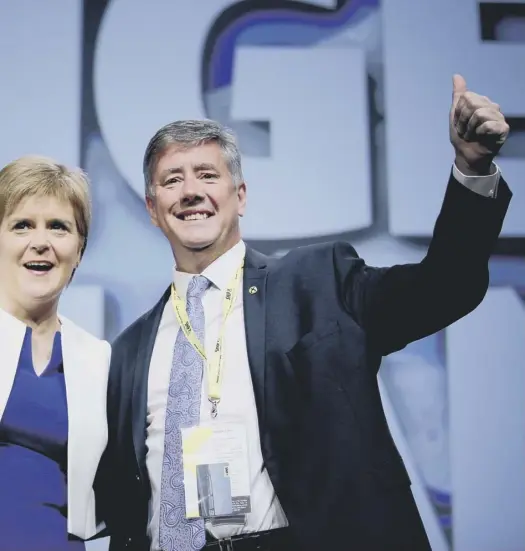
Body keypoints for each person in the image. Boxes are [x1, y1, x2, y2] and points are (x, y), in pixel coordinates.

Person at [98, 75, 511, 551]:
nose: (191, 191)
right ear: (153, 208)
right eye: (173, 180)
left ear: (241, 195)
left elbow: (445, 287)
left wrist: (472, 167)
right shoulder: (129, 351)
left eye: (207, 175)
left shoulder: (319, 283)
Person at [0, 156, 111, 551]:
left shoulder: (98, 360)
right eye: (22, 225)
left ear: (78, 250)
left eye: (59, 227)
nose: (41, 241)